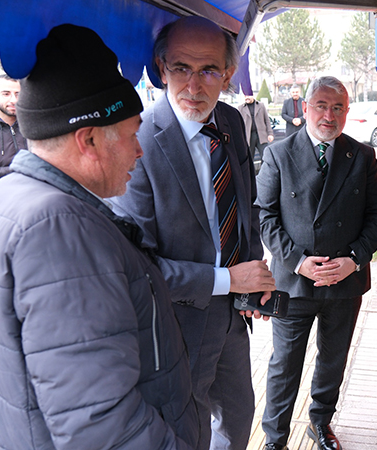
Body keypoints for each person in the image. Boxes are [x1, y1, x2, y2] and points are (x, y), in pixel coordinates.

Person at [0, 24, 198, 449]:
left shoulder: (10, 199)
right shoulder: (57, 228)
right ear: (88, 139)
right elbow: (101, 423)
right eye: (132, 135)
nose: (139, 151)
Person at [110, 17, 275, 450]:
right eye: (181, 68)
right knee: (188, 433)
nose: (193, 86)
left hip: (232, 317)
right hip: (174, 324)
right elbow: (137, 267)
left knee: (238, 419)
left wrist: (251, 279)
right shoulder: (138, 140)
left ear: (229, 74)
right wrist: (227, 280)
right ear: (161, 69)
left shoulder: (231, 121)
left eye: (208, 71)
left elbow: (243, 204)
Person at [256, 76, 377, 450]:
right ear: (305, 108)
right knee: (284, 365)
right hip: (294, 283)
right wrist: (298, 262)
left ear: (347, 111)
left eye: (337, 108)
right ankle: (275, 439)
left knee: (333, 360)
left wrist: (354, 260)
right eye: (321, 106)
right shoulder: (278, 154)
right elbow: (264, 216)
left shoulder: (362, 156)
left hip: (344, 282)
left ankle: (320, 423)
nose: (329, 115)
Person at [237, 94, 274, 172]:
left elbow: (267, 120)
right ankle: (251, 175)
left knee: (265, 156)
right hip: (248, 136)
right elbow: (238, 124)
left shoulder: (261, 105)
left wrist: (270, 133)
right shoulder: (240, 108)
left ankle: (264, 173)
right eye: (245, 96)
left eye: (248, 95)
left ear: (253, 95)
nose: (247, 97)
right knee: (249, 158)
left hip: (261, 135)